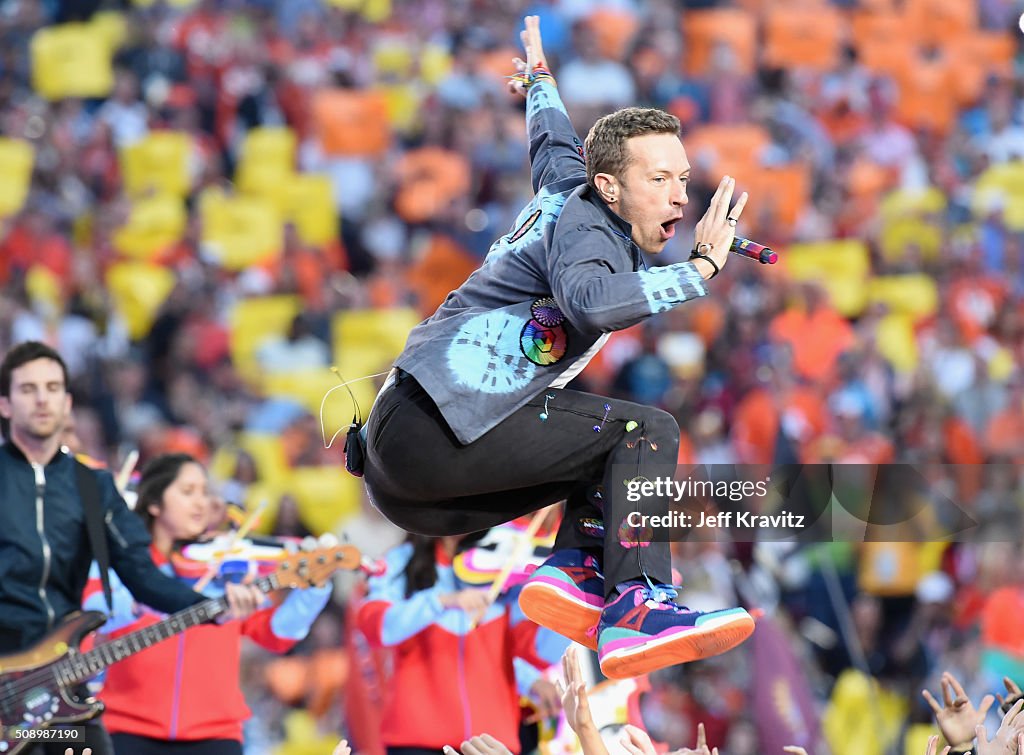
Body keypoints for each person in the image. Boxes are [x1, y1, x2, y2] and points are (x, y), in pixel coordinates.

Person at [360, 16, 754, 679]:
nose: (681, 196)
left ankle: (576, 566)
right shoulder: (592, 229)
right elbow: (590, 302)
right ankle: (636, 604)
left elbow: (552, 141)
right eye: (660, 179)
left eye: (683, 179)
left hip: (409, 470)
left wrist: (540, 79)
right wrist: (702, 270)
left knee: (605, 457)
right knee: (645, 430)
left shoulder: (567, 187)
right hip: (436, 426)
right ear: (611, 188)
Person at [0, 341, 264, 755]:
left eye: (52, 388)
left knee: (82, 746)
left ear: (67, 402)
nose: (42, 399)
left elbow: (144, 578)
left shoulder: (94, 487)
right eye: (28, 389)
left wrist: (213, 608)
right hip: (5, 671)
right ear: (5, 404)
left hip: (61, 690)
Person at [82, 452, 332, 755]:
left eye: (204, 491)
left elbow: (276, 635)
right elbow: (99, 614)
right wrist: (152, 590)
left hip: (216, 733)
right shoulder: (122, 565)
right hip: (127, 729)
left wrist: (315, 590)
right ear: (154, 503)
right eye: (187, 492)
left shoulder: (223, 566)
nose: (201, 503)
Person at [356, 533, 566, 754]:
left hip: (490, 741)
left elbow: (530, 649)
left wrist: (569, 609)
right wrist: (441, 601)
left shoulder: (502, 557)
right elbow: (376, 627)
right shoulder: (402, 559)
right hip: (418, 735)